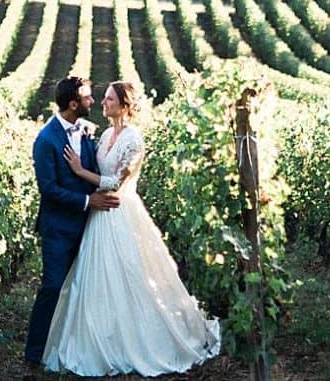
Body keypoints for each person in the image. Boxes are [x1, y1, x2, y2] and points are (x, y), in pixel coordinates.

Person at [42, 79, 221, 377]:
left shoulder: (134, 139)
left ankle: (139, 338)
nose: (103, 103)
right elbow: (101, 168)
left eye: (109, 99)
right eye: (103, 99)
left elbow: (118, 182)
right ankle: (102, 335)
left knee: (132, 273)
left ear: (124, 105)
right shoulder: (105, 134)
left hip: (121, 210)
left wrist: (79, 171)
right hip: (101, 213)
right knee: (97, 276)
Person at [25, 76, 122, 367]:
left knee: (83, 287)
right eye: (88, 98)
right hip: (58, 228)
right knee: (53, 286)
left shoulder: (87, 133)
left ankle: (72, 347)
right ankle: (34, 352)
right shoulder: (46, 140)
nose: (93, 102)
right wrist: (87, 201)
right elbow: (49, 189)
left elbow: (92, 172)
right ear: (73, 104)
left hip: (88, 226)